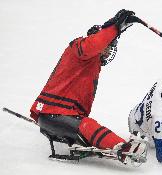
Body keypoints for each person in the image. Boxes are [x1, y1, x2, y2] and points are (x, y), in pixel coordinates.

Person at [29, 9, 147, 165]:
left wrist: (116, 28)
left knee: (85, 123)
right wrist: (114, 28)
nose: (108, 51)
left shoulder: (91, 62)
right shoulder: (79, 48)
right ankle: (124, 148)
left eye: (110, 48)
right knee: (87, 125)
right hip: (53, 113)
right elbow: (94, 44)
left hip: (59, 114)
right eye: (106, 47)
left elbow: (97, 43)